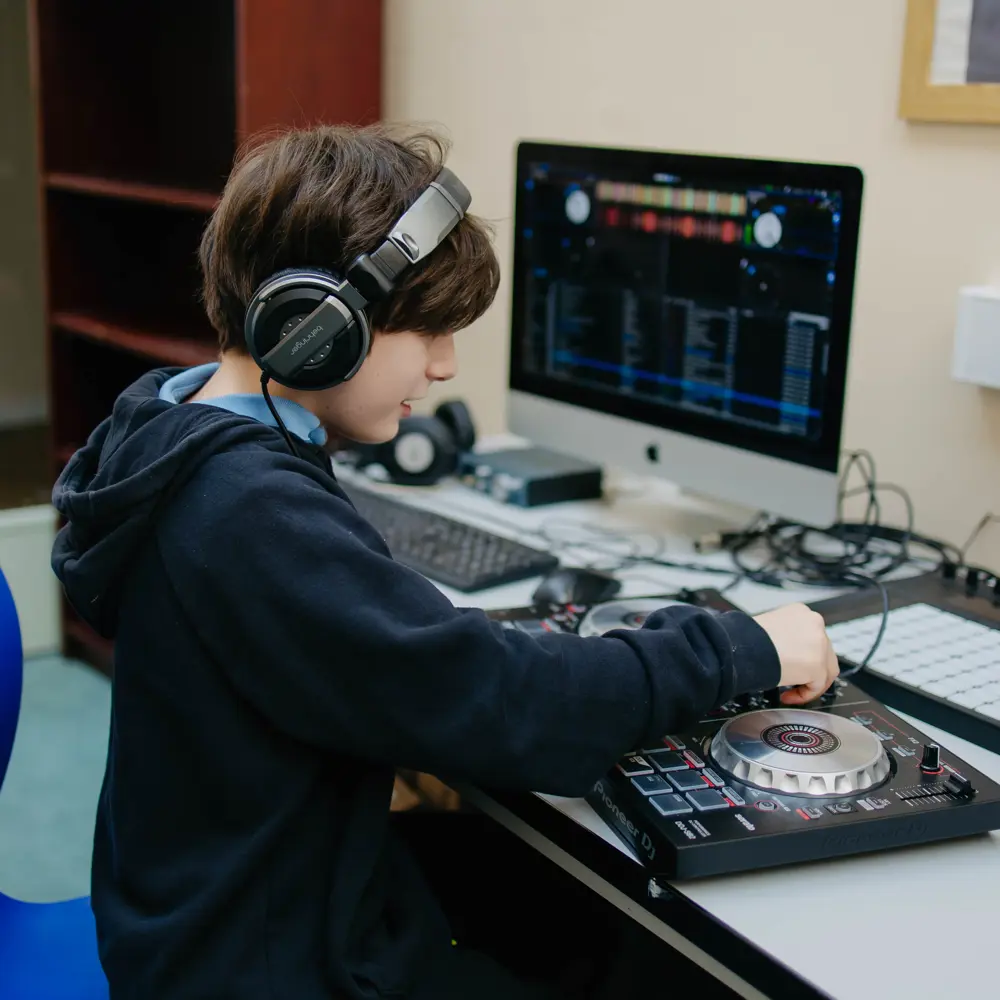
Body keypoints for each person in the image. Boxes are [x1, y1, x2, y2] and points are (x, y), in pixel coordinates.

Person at [51, 123, 838, 1000]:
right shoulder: (247, 510)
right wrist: (739, 649)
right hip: (261, 964)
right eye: (425, 330)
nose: (446, 364)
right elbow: (507, 704)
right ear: (319, 326)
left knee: (544, 891)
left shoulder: (169, 429)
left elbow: (367, 656)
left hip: (212, 903)